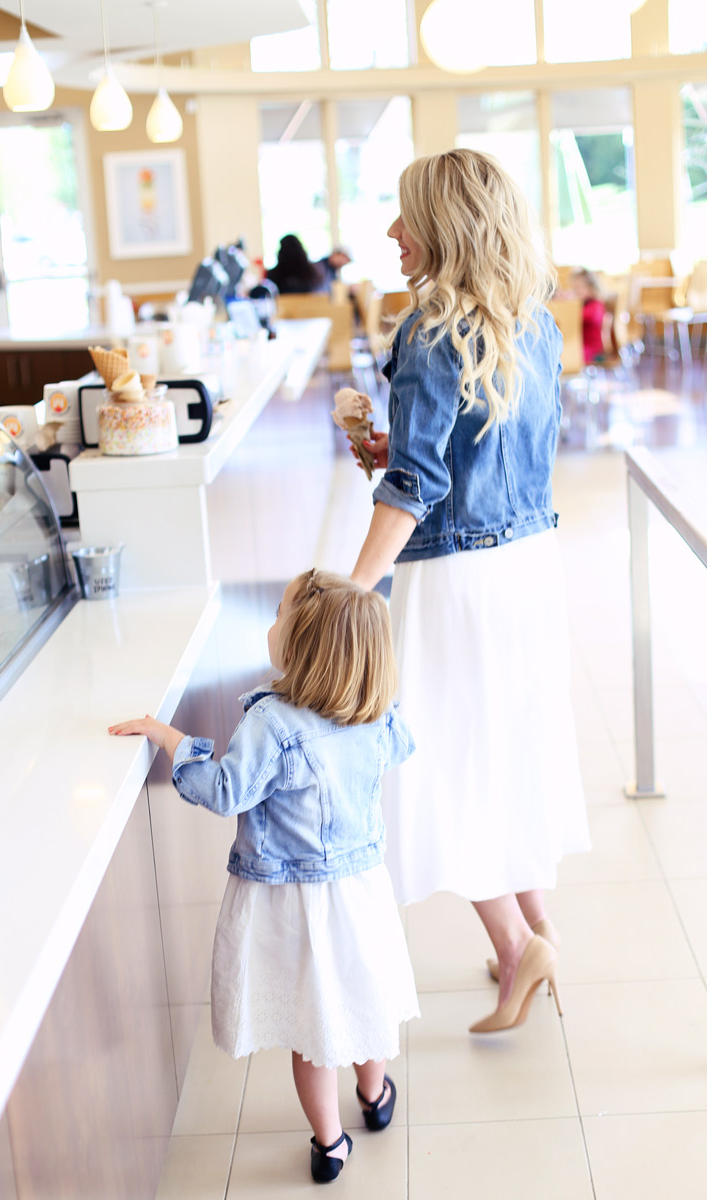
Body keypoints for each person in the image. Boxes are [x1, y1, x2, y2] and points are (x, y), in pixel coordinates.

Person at [347, 149, 590, 1035]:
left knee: (446, 763)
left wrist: (351, 589)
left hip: (453, 581)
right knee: (506, 752)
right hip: (527, 568)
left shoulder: (428, 328)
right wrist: (396, 454)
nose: (392, 233)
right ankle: (537, 932)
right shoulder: (533, 320)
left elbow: (415, 485)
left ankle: (518, 945)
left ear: (443, 227)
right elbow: (480, 454)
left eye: (404, 216)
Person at [109, 569, 419, 1185]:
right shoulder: (376, 715)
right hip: (357, 897)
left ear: (299, 645)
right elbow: (401, 743)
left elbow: (225, 790)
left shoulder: (272, 725)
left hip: (288, 905)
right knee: (358, 1001)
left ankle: (330, 1145)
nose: (270, 623)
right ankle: (376, 1092)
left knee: (312, 1031)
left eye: (278, 615)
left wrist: (173, 739)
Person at [569, 267, 607, 364]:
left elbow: (587, 317)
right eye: (574, 287)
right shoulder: (583, 304)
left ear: (591, 287)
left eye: (579, 287)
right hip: (580, 347)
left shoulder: (596, 305)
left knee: (567, 354)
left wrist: (568, 308)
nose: (576, 291)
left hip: (592, 350)